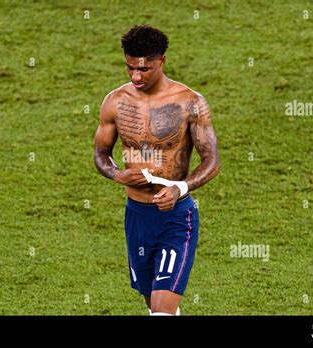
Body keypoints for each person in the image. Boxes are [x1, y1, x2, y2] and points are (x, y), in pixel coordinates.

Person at [93, 25, 220, 316]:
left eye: (144, 69)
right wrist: (117, 174)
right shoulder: (115, 102)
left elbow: (211, 160)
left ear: (161, 61)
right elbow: (101, 154)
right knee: (156, 307)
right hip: (137, 217)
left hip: (176, 218)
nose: (136, 76)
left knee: (161, 312)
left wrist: (180, 188)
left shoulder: (190, 103)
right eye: (129, 68)